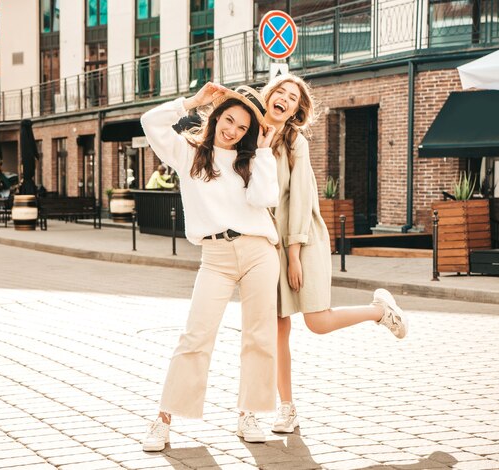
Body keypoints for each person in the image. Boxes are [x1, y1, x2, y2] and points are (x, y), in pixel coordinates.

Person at [261, 73, 409, 434]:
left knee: (317, 321)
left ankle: (380, 311)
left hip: (302, 240)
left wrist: (294, 252)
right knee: (277, 331)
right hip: (267, 245)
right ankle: (287, 408)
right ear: (267, 96)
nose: (284, 98)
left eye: (292, 98)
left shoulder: (295, 141)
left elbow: (300, 199)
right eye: (279, 91)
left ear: (296, 110)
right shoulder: (253, 136)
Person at [140, 82, 279, 451]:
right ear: (217, 116)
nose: (232, 130)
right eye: (229, 120)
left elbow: (265, 198)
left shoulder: (252, 159)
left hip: (258, 251)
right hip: (215, 257)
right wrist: (192, 101)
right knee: (195, 336)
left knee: (259, 335)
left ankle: (249, 412)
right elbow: (150, 121)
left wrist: (263, 152)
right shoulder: (188, 153)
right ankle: (163, 418)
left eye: (242, 127)